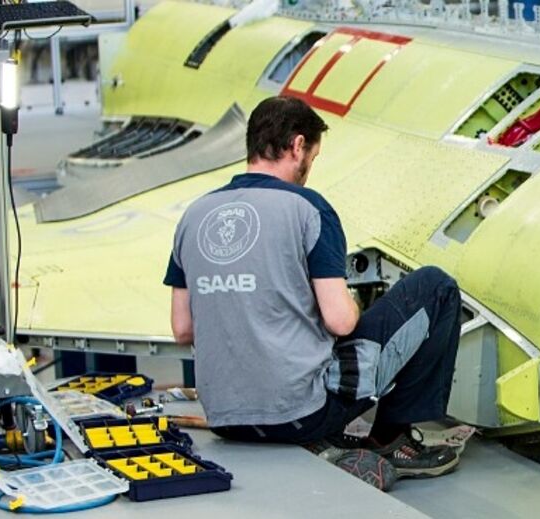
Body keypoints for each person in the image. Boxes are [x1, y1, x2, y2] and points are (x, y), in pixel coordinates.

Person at [165, 96, 463, 478]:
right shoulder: (309, 208)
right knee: (435, 286)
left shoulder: (194, 215)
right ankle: (392, 438)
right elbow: (339, 322)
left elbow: (182, 328)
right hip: (301, 416)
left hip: (224, 417)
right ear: (297, 145)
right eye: (312, 157)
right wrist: (353, 303)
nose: (308, 170)